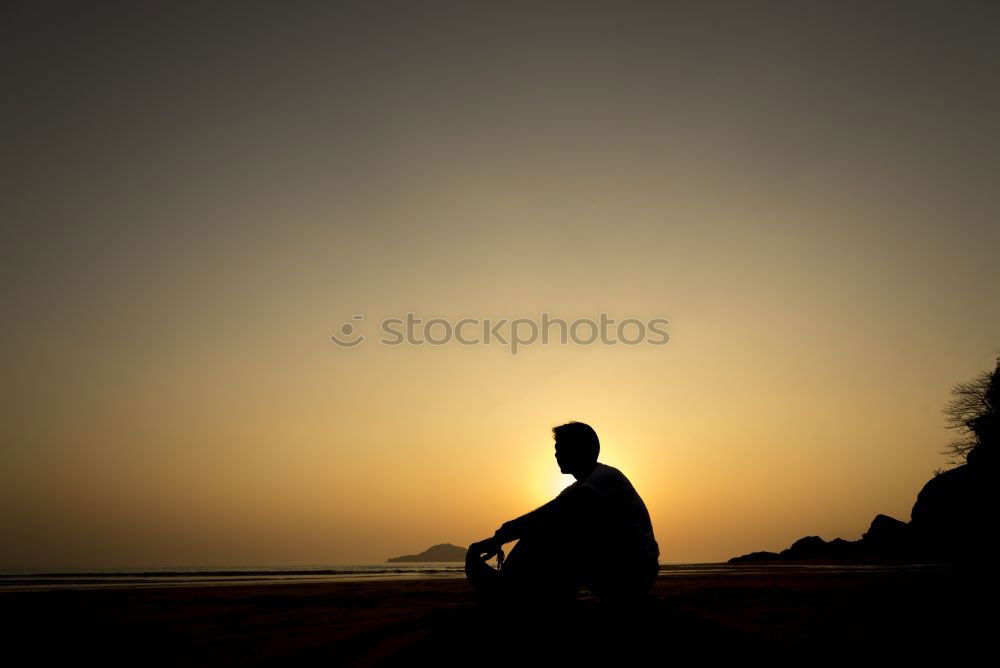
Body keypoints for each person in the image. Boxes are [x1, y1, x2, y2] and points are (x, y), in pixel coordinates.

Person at [466, 421, 660, 606]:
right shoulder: (581, 486)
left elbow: (552, 514)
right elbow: (555, 513)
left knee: (544, 534)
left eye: (561, 448)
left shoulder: (606, 478)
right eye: (556, 450)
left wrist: (501, 535)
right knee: (547, 534)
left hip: (634, 570)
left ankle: (507, 588)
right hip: (613, 565)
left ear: (581, 450)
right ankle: (518, 589)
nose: (557, 455)